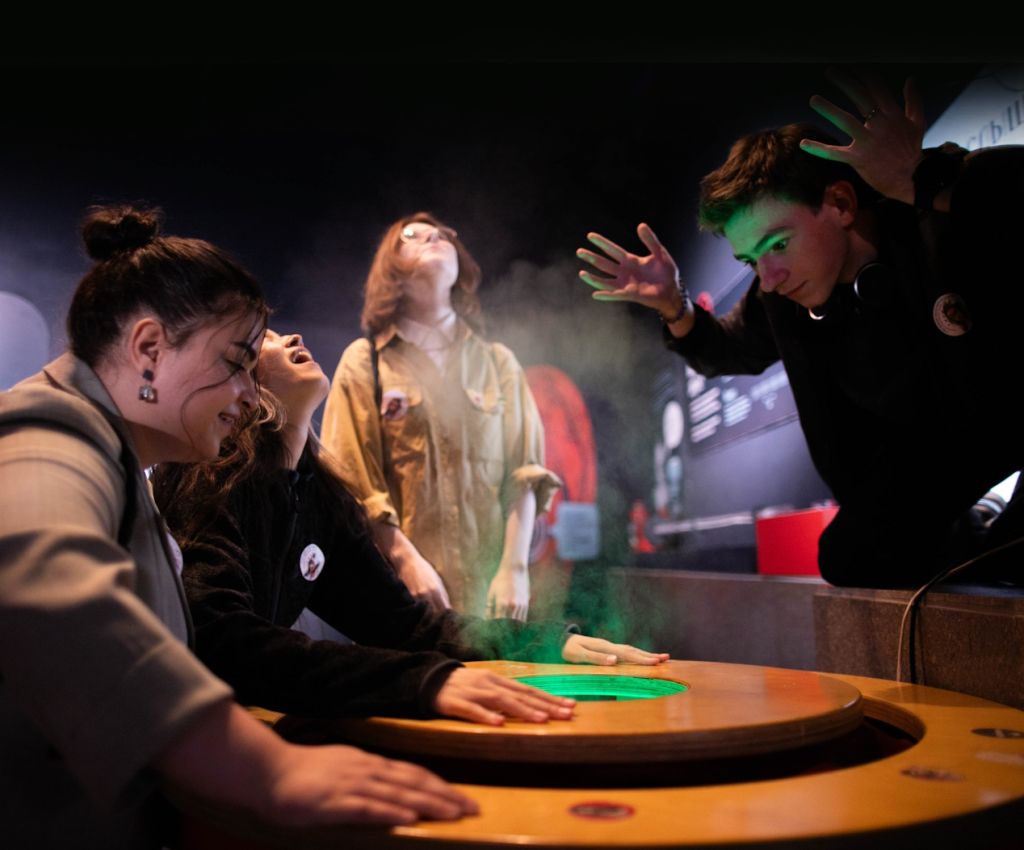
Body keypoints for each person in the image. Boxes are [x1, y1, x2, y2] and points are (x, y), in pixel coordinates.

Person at [0, 205, 476, 850]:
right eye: (236, 362)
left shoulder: (119, 460)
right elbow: (46, 593)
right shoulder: (50, 429)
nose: (251, 395)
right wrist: (263, 769)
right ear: (148, 349)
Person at [577, 71, 1024, 588]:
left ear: (841, 204)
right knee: (848, 557)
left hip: (1008, 415)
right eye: (751, 260)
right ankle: (980, 527)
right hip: (933, 460)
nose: (769, 278)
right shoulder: (779, 298)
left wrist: (924, 177)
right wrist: (673, 305)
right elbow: (731, 348)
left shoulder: (931, 215)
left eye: (778, 245)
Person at [155, 328, 668, 727]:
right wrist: (421, 681)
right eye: (264, 337)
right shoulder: (202, 477)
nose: (292, 337)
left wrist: (541, 642)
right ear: (239, 384)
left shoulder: (320, 497)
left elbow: (403, 625)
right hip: (181, 742)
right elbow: (223, 642)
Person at [321, 213, 561, 618]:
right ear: (390, 270)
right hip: (402, 602)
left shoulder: (497, 363)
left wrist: (514, 568)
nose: (432, 237)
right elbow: (352, 481)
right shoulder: (367, 363)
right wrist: (404, 560)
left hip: (490, 601)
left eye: (442, 235)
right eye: (412, 236)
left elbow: (524, 474)